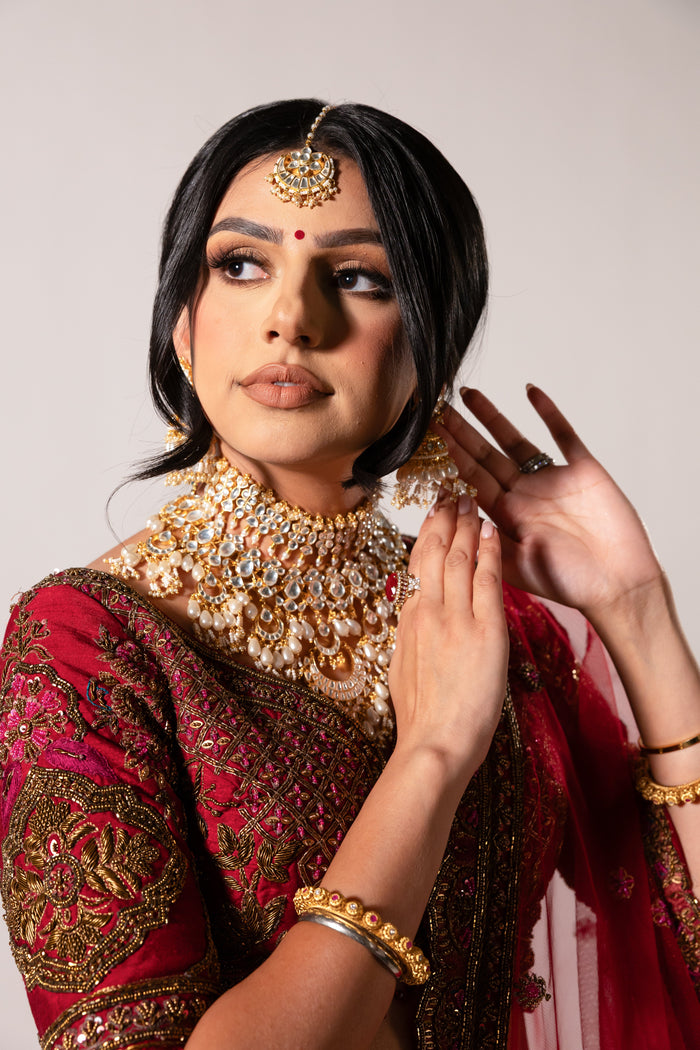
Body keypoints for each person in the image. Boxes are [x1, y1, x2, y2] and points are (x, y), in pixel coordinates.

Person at [0, 98, 698, 1050]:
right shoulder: (88, 642)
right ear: (181, 323)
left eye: (360, 277)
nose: (290, 317)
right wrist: (430, 759)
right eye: (241, 265)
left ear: (432, 346)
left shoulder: (487, 620)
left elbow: (675, 947)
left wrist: (638, 608)